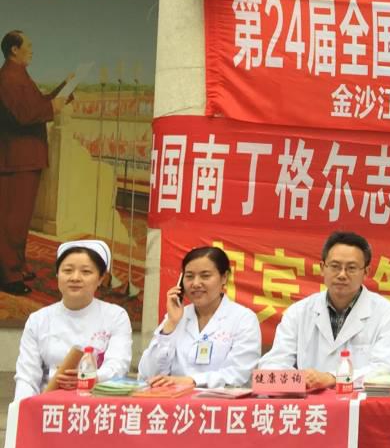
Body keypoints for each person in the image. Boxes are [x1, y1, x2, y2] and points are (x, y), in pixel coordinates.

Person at [258, 230, 390, 389]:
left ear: (366, 272)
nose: (342, 275)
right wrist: (300, 380)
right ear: (322, 268)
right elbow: (272, 364)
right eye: (335, 266)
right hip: (308, 400)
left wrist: (333, 378)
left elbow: (385, 370)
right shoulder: (298, 312)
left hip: (360, 401)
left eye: (351, 268)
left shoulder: (388, 314)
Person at [0, 31, 74, 294]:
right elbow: (24, 114)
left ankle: (16, 266)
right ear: (14, 50)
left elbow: (35, 104)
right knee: (12, 221)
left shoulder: (18, 75)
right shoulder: (8, 78)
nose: (32, 50)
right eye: (28, 46)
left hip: (25, 158)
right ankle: (8, 275)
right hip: (16, 159)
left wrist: (62, 91)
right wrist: (52, 107)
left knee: (20, 220)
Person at [13, 239, 131, 399]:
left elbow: (118, 365)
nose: (75, 278)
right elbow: (27, 377)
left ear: (101, 278)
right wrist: (23, 408)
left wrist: (90, 378)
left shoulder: (115, 316)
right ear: (57, 274)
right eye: (67, 270)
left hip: (97, 404)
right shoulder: (38, 320)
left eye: (86, 272)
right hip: (49, 405)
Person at [138, 245, 262, 389]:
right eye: (189, 276)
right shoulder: (176, 317)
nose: (196, 283)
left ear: (224, 277)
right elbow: (148, 373)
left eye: (205, 276)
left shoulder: (243, 319)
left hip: (220, 401)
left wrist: (192, 381)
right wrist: (170, 325)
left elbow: (238, 373)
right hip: (174, 400)